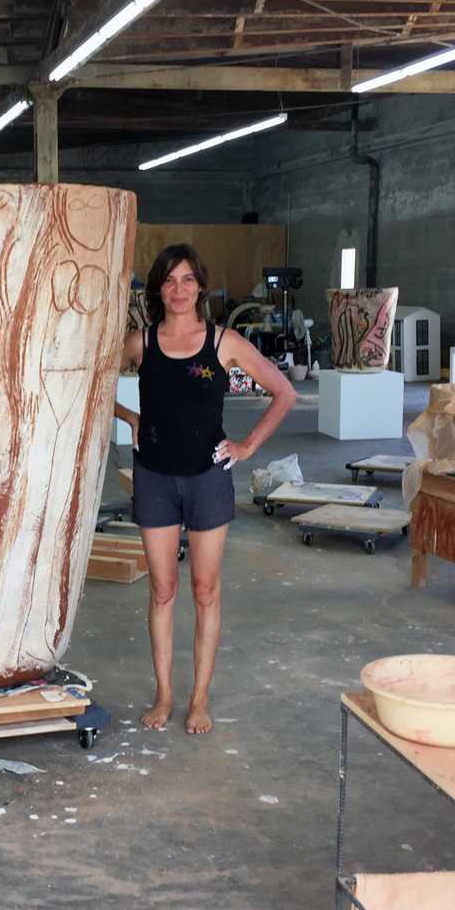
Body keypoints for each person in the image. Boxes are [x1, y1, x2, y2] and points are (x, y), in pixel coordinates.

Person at [115, 244, 297, 733]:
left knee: (203, 589)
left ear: (200, 285)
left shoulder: (225, 343)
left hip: (208, 479)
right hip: (153, 476)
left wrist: (248, 445)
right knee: (162, 588)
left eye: (188, 280)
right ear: (158, 288)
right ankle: (165, 694)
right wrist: (128, 415)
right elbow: (88, 381)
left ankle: (198, 699)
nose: (178, 289)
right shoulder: (140, 343)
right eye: (169, 280)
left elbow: (285, 391)